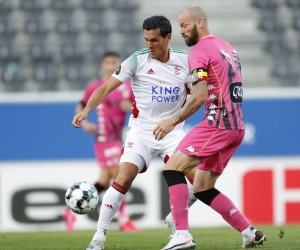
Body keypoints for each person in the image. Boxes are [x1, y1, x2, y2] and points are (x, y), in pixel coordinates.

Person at [72, 15, 197, 250]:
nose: (149, 44)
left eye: (154, 40)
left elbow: (201, 86)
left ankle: (176, 221)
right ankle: (98, 239)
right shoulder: (137, 60)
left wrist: (192, 86)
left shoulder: (186, 60)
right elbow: (107, 87)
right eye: (146, 39)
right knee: (124, 177)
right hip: (141, 132)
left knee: (201, 181)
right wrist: (87, 110)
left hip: (172, 132)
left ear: (168, 37)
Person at [154, 5, 267, 250]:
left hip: (217, 123)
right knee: (203, 187)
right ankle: (249, 232)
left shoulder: (199, 51)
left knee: (172, 169)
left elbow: (199, 96)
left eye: (184, 25)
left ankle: (182, 234)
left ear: (200, 22)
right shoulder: (227, 47)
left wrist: (172, 121)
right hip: (237, 126)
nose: (181, 31)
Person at [64, 51, 140, 232]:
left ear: (119, 65)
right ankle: (123, 219)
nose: (111, 66)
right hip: (103, 138)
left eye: (114, 62)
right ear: (102, 66)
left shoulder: (126, 87)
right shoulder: (95, 87)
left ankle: (69, 211)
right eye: (107, 63)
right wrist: (85, 123)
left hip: (118, 138)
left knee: (105, 181)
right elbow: (81, 106)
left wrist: (128, 106)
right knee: (119, 174)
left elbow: (137, 105)